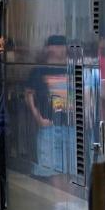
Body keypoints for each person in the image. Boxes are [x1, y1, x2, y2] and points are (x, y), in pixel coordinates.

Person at [25, 34, 69, 177]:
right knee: (50, 170)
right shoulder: (39, 70)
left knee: (71, 170)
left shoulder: (72, 68)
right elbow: (29, 94)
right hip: (48, 125)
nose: (59, 50)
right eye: (55, 46)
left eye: (61, 46)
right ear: (48, 48)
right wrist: (38, 118)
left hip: (71, 126)